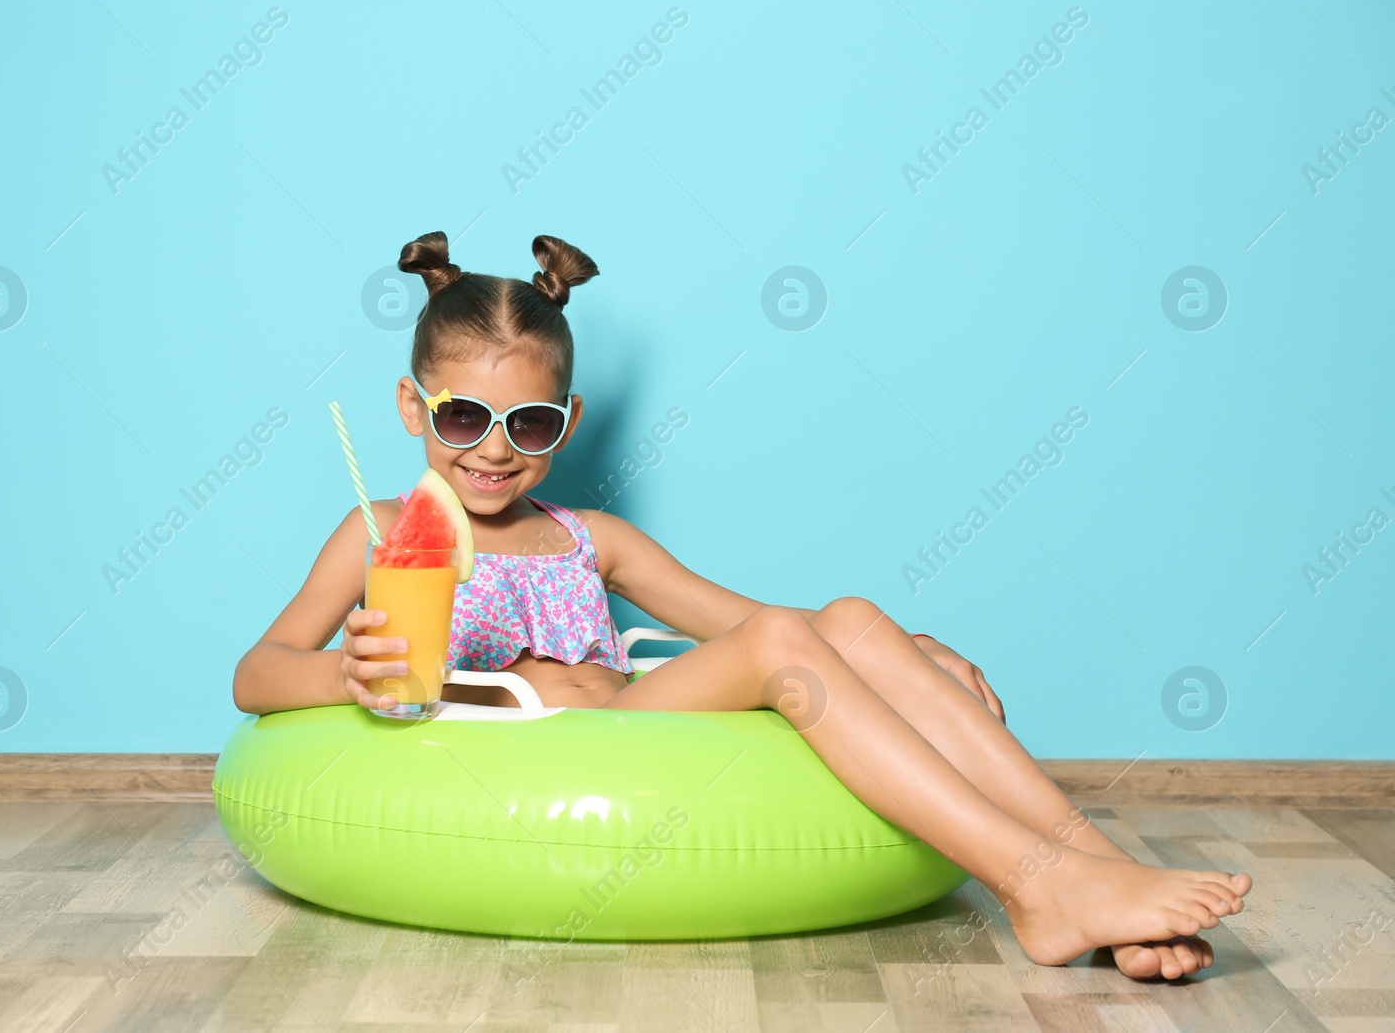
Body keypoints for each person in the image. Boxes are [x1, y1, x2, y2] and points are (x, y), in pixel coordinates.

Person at [232, 230, 1251, 981]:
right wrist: (344, 671)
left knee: (843, 615)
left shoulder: (594, 536)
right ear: (412, 406)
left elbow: (758, 619)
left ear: (567, 421)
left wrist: (898, 648)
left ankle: (1099, 872)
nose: (493, 446)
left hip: (639, 711)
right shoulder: (376, 528)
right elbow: (256, 672)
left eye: (528, 420)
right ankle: (1034, 882)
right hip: (555, 733)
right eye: (461, 414)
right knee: (784, 642)